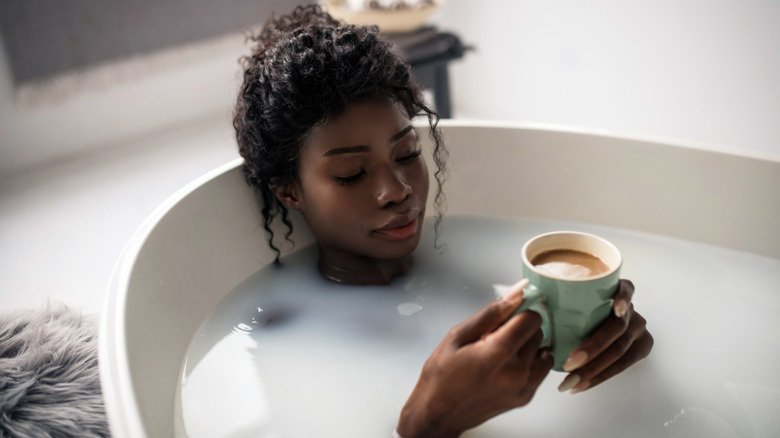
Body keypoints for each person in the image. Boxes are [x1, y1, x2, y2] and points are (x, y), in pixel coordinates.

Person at [233, 5, 653, 437]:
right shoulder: (287, 341)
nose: (397, 189)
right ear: (290, 192)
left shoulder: (470, 270)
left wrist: (600, 332)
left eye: (408, 153)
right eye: (351, 174)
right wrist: (425, 425)